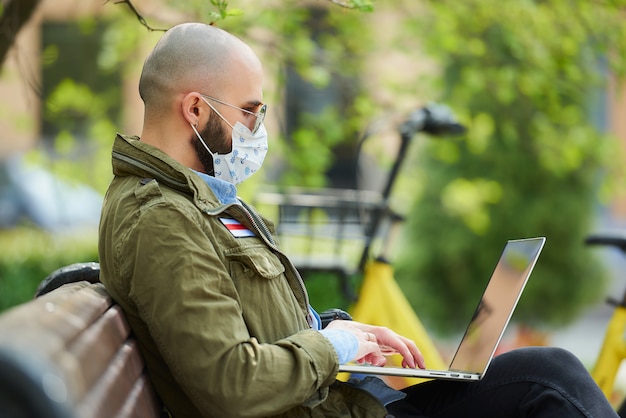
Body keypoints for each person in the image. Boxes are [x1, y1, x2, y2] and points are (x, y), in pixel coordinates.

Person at [98, 22, 618, 418]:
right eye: (251, 111)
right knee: (548, 380)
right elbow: (232, 381)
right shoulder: (162, 220)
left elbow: (253, 325)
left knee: (540, 372)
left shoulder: (196, 201)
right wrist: (335, 347)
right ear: (194, 109)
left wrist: (338, 329)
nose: (258, 128)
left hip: (341, 402)